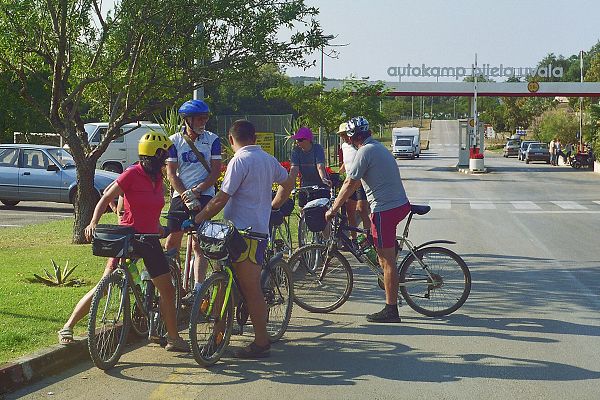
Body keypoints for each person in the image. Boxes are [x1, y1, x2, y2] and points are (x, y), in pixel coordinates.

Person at [60, 132, 189, 352]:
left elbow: (150, 210)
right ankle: (68, 327)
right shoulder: (132, 174)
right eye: (163, 155)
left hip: (149, 239)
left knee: (167, 290)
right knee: (105, 282)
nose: (166, 159)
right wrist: (93, 222)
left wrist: (163, 229)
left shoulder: (158, 178)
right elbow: (106, 198)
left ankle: (173, 339)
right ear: (155, 154)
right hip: (127, 238)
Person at [191, 119, 294, 358]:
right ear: (254, 137)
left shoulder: (240, 160)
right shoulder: (268, 159)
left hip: (245, 235)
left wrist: (199, 218)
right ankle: (218, 336)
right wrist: (274, 204)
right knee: (224, 283)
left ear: (230, 140)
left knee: (251, 290)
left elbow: (221, 198)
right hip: (248, 233)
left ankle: (261, 343)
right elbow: (287, 183)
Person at [325, 116, 411, 323]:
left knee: (387, 262)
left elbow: (350, 183)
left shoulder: (365, 151)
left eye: (348, 135)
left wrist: (334, 209)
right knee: (380, 250)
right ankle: (390, 264)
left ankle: (391, 310)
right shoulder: (376, 147)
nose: (346, 139)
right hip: (397, 204)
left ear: (354, 136)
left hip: (385, 209)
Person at [165, 99, 222, 298]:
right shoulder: (174, 141)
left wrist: (198, 191)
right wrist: (185, 194)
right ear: (187, 120)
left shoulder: (212, 139)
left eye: (205, 118)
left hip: (205, 194)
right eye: (199, 118)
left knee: (200, 243)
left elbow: (215, 172)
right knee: (172, 241)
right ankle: (174, 284)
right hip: (180, 194)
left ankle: (199, 287)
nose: (203, 122)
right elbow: (171, 173)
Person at [337, 122, 370, 240]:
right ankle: (354, 238)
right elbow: (346, 164)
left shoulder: (358, 146)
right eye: (341, 135)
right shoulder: (344, 147)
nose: (344, 137)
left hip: (360, 181)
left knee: (361, 209)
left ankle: (368, 237)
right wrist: (337, 173)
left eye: (345, 134)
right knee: (349, 211)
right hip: (349, 180)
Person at [288, 127, 331, 207]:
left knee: (321, 210)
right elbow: (294, 169)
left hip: (320, 185)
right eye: (296, 140)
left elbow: (320, 166)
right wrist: (289, 184)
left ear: (308, 140)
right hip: (305, 186)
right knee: (303, 209)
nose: (297, 142)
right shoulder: (296, 151)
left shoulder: (317, 148)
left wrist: (324, 180)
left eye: (300, 140)